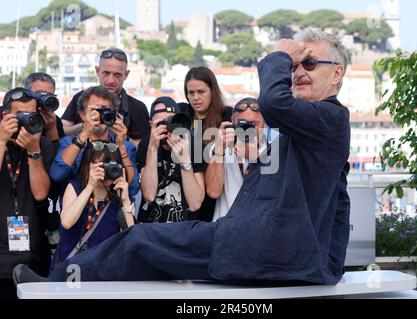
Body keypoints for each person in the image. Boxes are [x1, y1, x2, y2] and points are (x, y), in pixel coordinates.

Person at [14, 28, 350, 286]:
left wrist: (278, 55)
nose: (298, 72)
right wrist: (329, 265)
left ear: (337, 74)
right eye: (294, 65)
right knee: (141, 246)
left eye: (308, 63)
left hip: (257, 248)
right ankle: (58, 283)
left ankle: (55, 284)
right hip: (255, 245)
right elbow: (340, 198)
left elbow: (275, 104)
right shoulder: (320, 129)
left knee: (140, 240)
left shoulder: (331, 118)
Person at [0, 88, 54, 298]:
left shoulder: (42, 145)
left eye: (31, 114)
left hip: (32, 254)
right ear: (5, 115)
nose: (27, 120)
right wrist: (2, 140)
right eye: (21, 114)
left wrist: (33, 151)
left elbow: (41, 193)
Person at [51, 140, 134, 270]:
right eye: (101, 166)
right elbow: (67, 222)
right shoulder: (75, 188)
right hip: (73, 268)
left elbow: (133, 238)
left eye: (111, 166)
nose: (106, 172)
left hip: (104, 269)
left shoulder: (119, 196)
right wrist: (90, 186)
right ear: (87, 165)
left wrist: (126, 201)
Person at [50, 85, 139, 200]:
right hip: (76, 213)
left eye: (105, 110)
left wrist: (121, 145)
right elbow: (57, 175)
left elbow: (133, 188)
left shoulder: (125, 146)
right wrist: (83, 135)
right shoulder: (69, 143)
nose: (100, 115)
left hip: (111, 214)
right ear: (82, 114)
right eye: (95, 110)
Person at [61, 48, 149, 146]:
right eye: (106, 73)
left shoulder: (137, 108)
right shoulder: (81, 98)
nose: (111, 80)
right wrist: (85, 126)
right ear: (97, 71)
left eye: (117, 75)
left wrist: (122, 136)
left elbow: (143, 149)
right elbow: (62, 130)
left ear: (126, 75)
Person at [137, 97, 206, 223]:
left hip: (184, 231)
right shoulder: (147, 144)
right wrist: (153, 148)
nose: (168, 128)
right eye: (161, 124)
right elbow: (149, 195)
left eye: (171, 122)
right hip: (150, 230)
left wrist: (184, 159)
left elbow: (195, 203)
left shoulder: (194, 145)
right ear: (151, 125)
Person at [24, 72, 64, 275]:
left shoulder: (52, 122)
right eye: (38, 94)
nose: (43, 100)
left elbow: (60, 172)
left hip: (42, 211)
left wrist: (52, 130)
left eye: (49, 95)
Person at [181, 66, 233, 222]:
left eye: (201, 92)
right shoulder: (183, 117)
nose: (196, 98)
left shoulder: (227, 116)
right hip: (189, 207)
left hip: (220, 204)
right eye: (191, 93)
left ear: (212, 91)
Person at [205, 97, 267, 221]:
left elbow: (269, 194)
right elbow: (213, 192)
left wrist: (254, 160)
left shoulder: (273, 150)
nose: (248, 130)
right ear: (232, 121)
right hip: (225, 226)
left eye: (254, 124)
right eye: (243, 123)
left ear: (264, 124)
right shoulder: (221, 147)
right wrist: (219, 151)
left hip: (257, 227)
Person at [24, 72, 65, 142]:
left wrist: (51, 128)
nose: (44, 99)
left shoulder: (54, 120)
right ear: (26, 93)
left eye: (48, 95)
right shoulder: (11, 114)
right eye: (39, 94)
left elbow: (57, 151)